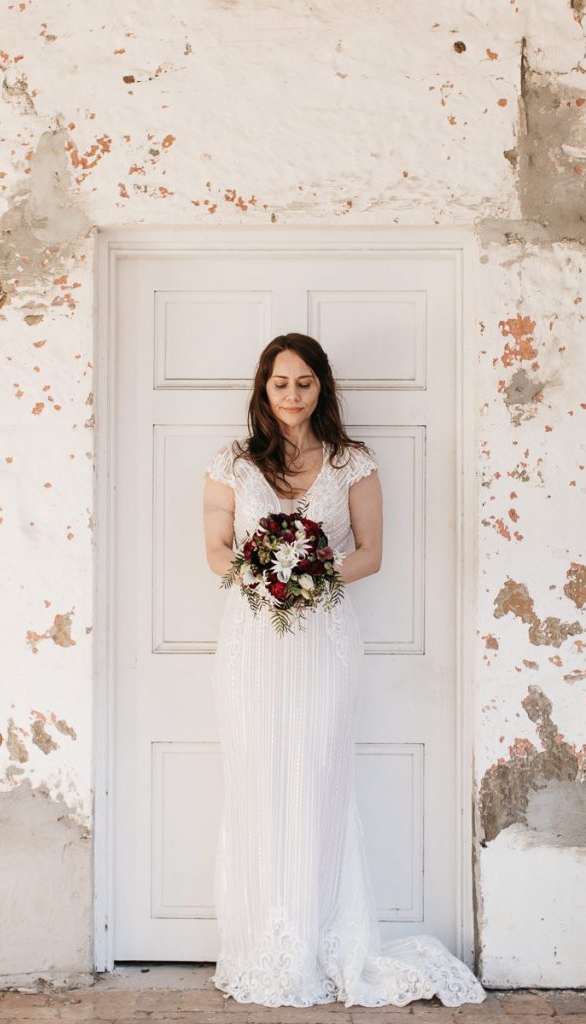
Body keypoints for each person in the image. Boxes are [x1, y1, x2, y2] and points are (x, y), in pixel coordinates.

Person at [202, 333, 487, 1008]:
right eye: (280, 383)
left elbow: (371, 553)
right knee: (256, 777)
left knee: (317, 777)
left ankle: (322, 934)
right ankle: (260, 942)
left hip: (324, 638)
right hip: (250, 641)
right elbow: (215, 549)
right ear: (263, 389)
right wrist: (259, 572)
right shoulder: (231, 462)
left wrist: (306, 571)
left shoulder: (353, 463)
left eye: (304, 382)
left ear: (322, 387)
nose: (293, 395)